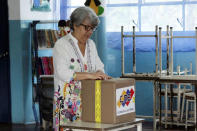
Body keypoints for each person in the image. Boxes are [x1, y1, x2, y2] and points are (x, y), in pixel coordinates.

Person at [53, 6, 111, 130]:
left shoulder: (91, 45)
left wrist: (100, 73)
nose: (89, 32)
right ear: (74, 25)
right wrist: (90, 75)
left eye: (92, 29)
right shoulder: (62, 45)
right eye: (86, 27)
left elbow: (99, 66)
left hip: (88, 100)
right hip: (67, 104)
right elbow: (62, 72)